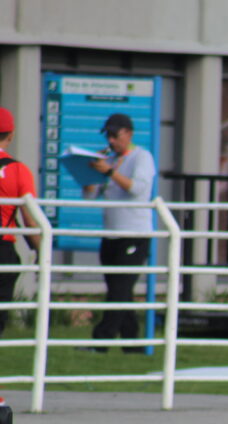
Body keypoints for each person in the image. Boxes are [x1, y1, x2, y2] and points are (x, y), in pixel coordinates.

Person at [83, 113, 156, 351]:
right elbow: (89, 194)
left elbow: (138, 188)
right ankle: (132, 344)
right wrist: (89, 175)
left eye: (115, 135)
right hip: (111, 233)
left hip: (134, 233)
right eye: (108, 136)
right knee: (119, 288)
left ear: (128, 134)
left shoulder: (141, 156)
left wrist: (108, 172)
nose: (111, 141)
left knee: (120, 289)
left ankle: (101, 340)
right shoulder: (110, 159)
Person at [0, 107, 40, 338]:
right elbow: (29, 218)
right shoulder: (18, 170)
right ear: (11, 135)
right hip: (3, 246)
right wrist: (41, 249)